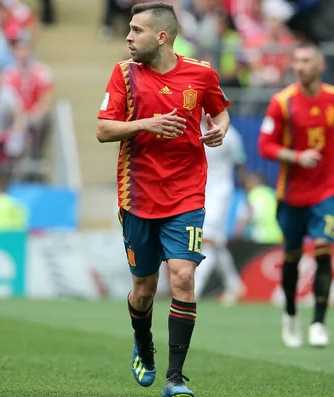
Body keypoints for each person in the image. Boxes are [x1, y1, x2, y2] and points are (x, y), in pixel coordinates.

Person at [96, 3, 230, 396]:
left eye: (136, 30)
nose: (128, 37)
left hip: (187, 193)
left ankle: (175, 379)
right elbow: (103, 130)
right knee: (144, 290)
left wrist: (218, 130)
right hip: (138, 195)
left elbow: (220, 113)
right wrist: (147, 124)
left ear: (162, 36)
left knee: (184, 278)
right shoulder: (124, 74)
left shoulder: (201, 73)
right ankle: (142, 343)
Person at [258, 41, 334, 348]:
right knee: (292, 257)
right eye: (296, 61)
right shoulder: (282, 102)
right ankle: (289, 315)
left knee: (324, 246)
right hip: (292, 193)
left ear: (319, 66)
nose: (299, 66)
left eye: (305, 61)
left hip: (326, 190)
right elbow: (265, 146)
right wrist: (296, 157)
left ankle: (318, 323)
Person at [194, 120, 246, 305]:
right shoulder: (192, 130)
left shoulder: (230, 135)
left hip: (220, 193)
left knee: (207, 239)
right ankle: (235, 285)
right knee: (217, 242)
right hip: (199, 190)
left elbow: (240, 165)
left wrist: (247, 198)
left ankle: (193, 291)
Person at [234, 171, 283, 245]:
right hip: (279, 238)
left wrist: (236, 240)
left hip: (262, 239)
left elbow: (244, 218)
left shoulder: (253, 195)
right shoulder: (273, 194)